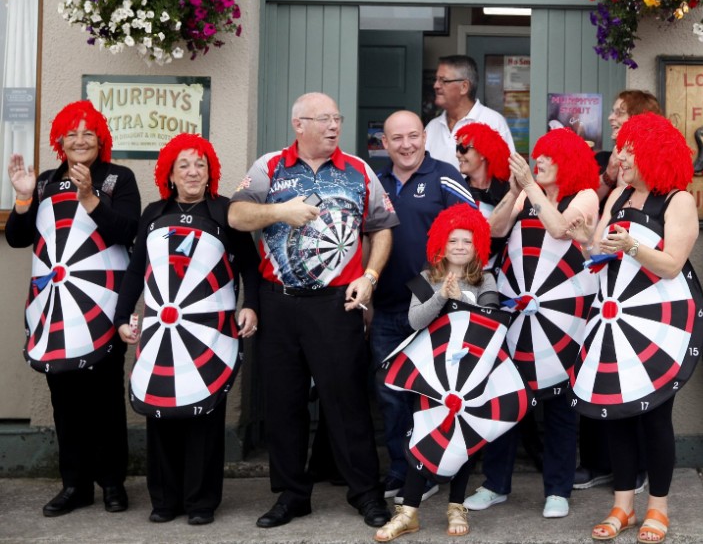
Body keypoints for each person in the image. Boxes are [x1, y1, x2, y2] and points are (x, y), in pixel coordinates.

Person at [228, 92, 397, 529]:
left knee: (346, 401)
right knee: (283, 403)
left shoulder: (359, 170)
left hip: (336, 303)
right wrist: (280, 211)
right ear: (298, 124)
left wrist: (371, 277)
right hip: (278, 303)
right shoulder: (269, 167)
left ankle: (366, 493)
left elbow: (381, 230)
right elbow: (236, 215)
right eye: (323, 119)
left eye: (336, 118)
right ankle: (291, 494)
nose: (333, 126)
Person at [115, 133, 260, 525]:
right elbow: (134, 270)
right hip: (162, 331)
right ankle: (164, 501)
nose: (193, 171)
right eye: (184, 165)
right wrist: (121, 316)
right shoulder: (152, 212)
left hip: (210, 333)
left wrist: (251, 307)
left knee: (205, 417)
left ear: (210, 171)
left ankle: (200, 503)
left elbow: (251, 266)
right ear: (170, 175)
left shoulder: (226, 212)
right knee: (160, 414)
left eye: (200, 164)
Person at [569, 112, 700, 544]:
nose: (620, 157)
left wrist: (633, 245)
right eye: (621, 148)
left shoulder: (677, 200)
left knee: (654, 417)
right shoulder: (621, 195)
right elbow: (601, 255)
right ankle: (623, 506)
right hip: (614, 319)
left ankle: (658, 508)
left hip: (658, 327)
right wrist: (590, 237)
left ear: (653, 153)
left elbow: (672, 265)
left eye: (629, 149)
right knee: (618, 415)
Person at [6, 100, 139, 517]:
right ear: (59, 140)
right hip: (55, 307)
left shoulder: (119, 178)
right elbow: (18, 238)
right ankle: (75, 485)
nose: (79, 140)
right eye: (71, 133)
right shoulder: (44, 182)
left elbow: (128, 230)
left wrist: (90, 198)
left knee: (104, 399)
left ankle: (113, 483)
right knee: (65, 401)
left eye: (88, 133)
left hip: (102, 307)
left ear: (101, 139)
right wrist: (24, 199)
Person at [465, 129, 600, 518]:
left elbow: (559, 228)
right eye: (537, 155)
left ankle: (557, 490)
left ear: (568, 163)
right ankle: (495, 484)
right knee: (506, 396)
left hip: (564, 317)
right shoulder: (526, 192)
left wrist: (530, 187)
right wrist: (513, 190)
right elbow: (493, 230)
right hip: (518, 309)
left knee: (560, 405)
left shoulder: (585, 195)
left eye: (548, 157)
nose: (539, 162)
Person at [374, 203, 499, 542]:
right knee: (422, 435)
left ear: (478, 247)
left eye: (467, 242)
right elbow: (415, 322)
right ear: (441, 244)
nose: (460, 247)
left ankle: (456, 505)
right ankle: (409, 512)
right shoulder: (425, 278)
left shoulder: (487, 278)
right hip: (431, 375)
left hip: (471, 375)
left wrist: (466, 300)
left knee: (464, 439)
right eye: (453, 240)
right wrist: (441, 295)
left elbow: (491, 320)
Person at [372, 110, 473, 502]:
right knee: (391, 396)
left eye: (413, 136)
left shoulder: (443, 175)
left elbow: (471, 230)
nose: (406, 145)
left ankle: (432, 471)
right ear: (385, 143)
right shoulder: (374, 181)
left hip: (436, 309)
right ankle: (401, 470)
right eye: (397, 138)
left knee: (432, 394)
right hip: (385, 310)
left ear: (425, 138)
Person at [425, 55, 515, 170]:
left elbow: (507, 171)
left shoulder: (493, 122)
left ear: (464, 87)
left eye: (443, 80)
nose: (436, 85)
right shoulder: (432, 127)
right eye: (436, 80)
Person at [455, 122, 511, 266]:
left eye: (463, 148)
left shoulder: (508, 191)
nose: (457, 154)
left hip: (502, 278)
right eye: (457, 148)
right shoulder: (456, 190)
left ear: (483, 153)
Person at [596, 90, 662, 203]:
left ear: (638, 119)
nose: (610, 117)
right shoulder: (601, 159)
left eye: (619, 113)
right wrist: (609, 174)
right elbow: (586, 203)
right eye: (612, 112)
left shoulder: (659, 164)